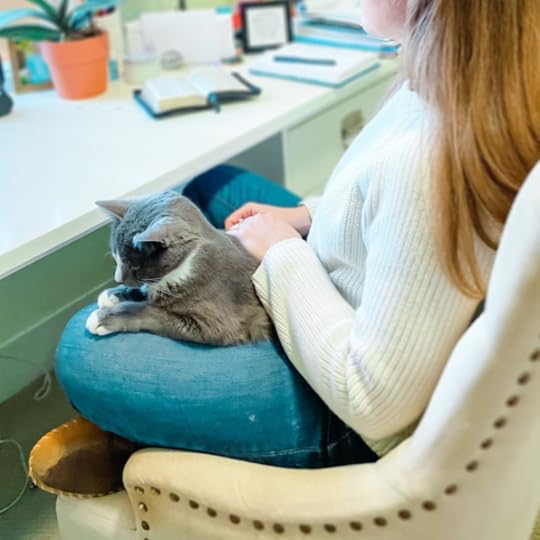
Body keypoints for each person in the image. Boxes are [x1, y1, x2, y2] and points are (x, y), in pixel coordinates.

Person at [38, 0, 540, 494]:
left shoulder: (427, 161)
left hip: (343, 409)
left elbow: (376, 403)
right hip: (345, 284)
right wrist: (304, 218)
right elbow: (376, 200)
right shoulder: (448, 79)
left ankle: (148, 440)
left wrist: (281, 252)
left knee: (81, 351)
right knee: (212, 185)